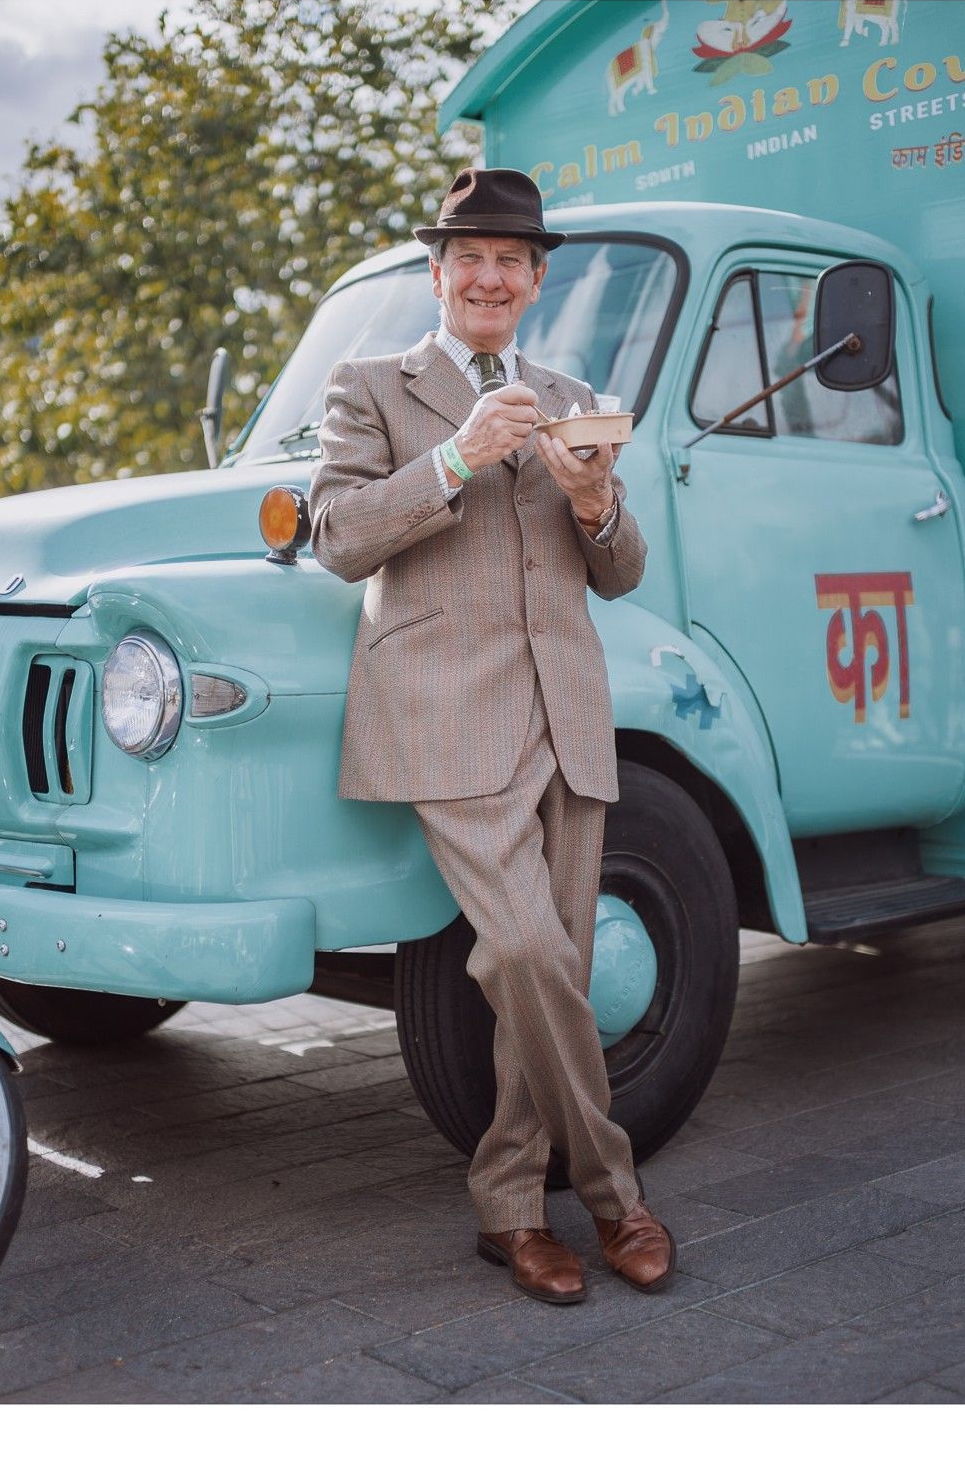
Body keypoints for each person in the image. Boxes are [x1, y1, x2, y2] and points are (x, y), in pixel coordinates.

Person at [308, 167, 674, 1305]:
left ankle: (512, 1211)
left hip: (563, 713)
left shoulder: (573, 393)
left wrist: (591, 503)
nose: (486, 275)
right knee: (522, 955)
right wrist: (458, 455)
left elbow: (619, 572)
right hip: (443, 713)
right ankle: (615, 1196)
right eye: (466, 257)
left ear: (533, 281)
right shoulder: (369, 385)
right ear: (436, 274)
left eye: (508, 260)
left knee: (551, 969)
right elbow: (335, 536)